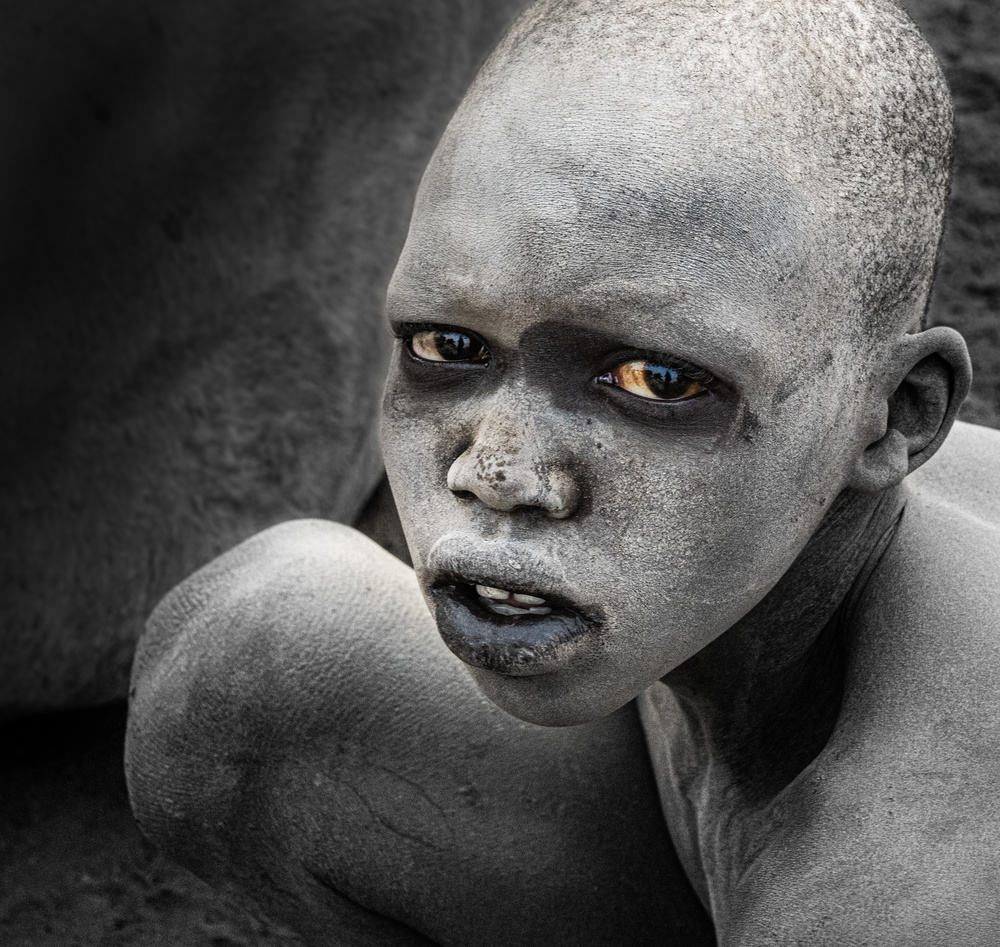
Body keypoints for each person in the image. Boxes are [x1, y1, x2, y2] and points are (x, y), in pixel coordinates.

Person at [126, 0, 1000, 943]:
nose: (497, 472)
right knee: (245, 670)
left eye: (657, 382)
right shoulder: (736, 573)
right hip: (708, 803)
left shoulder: (909, 883)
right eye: (447, 344)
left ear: (900, 414)